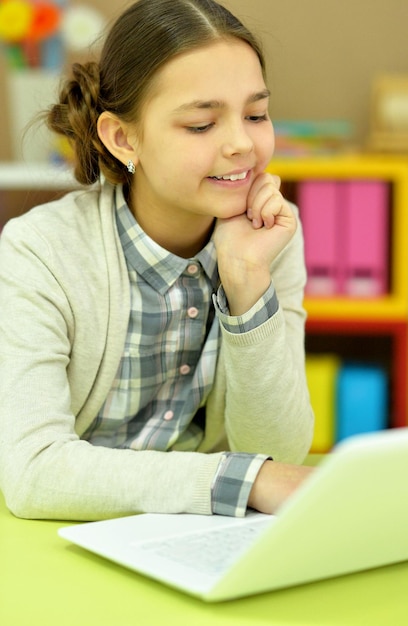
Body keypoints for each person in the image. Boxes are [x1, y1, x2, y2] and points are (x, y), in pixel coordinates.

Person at [0, 0, 314, 521]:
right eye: (200, 125)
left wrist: (246, 279)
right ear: (124, 138)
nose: (242, 144)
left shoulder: (268, 239)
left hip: (193, 540)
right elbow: (32, 469)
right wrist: (241, 478)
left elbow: (279, 451)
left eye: (256, 114)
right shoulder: (39, 251)